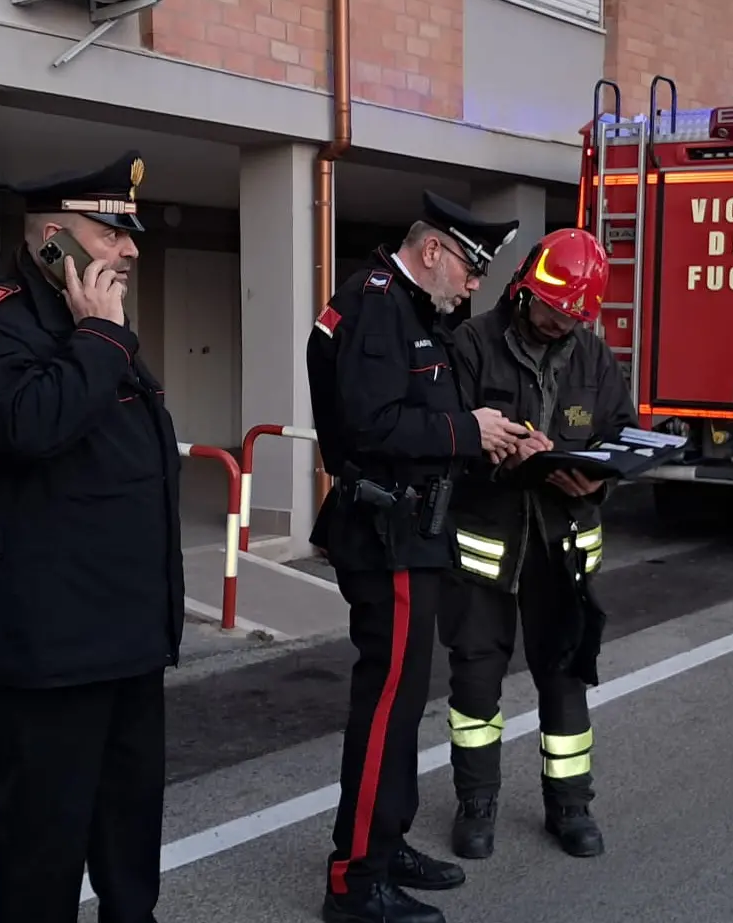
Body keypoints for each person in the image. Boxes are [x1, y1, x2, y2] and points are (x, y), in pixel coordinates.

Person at [0, 152, 181, 923]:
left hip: (127, 636)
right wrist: (101, 336)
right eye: (111, 232)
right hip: (48, 648)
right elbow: (30, 424)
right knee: (45, 852)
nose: (130, 249)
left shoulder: (99, 331)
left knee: (131, 841)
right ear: (51, 240)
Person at [305, 191, 528, 923]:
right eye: (469, 268)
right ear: (433, 249)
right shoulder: (379, 305)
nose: (473, 286)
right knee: (385, 707)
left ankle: (383, 837)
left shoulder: (410, 310)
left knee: (401, 706)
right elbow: (373, 425)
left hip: (411, 532)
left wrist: (491, 435)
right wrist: (468, 429)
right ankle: (354, 878)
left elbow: (421, 417)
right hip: (388, 535)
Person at [438, 228, 633, 863]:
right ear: (524, 288)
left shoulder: (593, 357)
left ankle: (571, 808)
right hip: (486, 550)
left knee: (565, 681)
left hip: (562, 547)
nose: (559, 324)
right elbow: (448, 440)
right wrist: (500, 451)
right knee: (474, 691)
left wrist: (594, 481)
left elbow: (621, 433)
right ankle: (476, 806)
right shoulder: (471, 345)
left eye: (573, 316)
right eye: (552, 310)